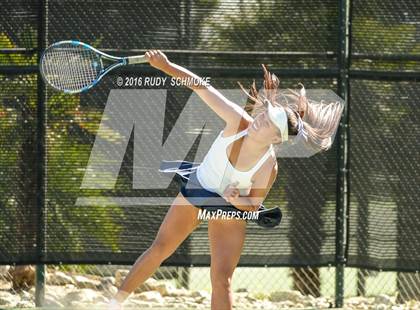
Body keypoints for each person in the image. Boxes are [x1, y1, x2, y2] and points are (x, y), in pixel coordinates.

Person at [108, 50, 343, 310]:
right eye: (263, 115)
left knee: (222, 279)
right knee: (160, 248)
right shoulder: (238, 121)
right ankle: (112, 304)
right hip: (199, 188)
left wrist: (237, 199)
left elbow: (253, 205)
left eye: (267, 123)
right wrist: (167, 65)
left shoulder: (268, 166)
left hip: (229, 209)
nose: (259, 120)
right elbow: (201, 87)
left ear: (277, 139)